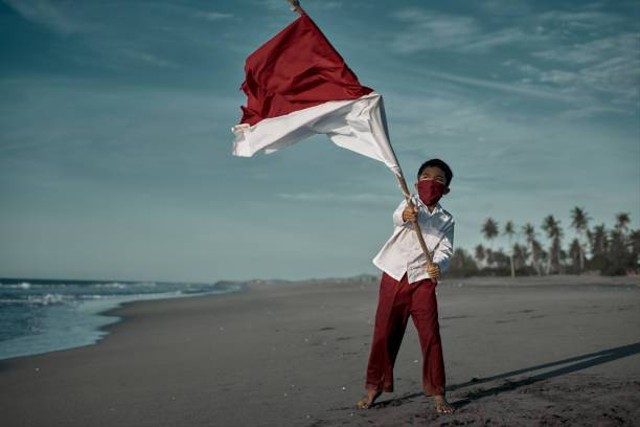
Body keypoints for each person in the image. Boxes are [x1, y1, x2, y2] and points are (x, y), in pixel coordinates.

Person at [357, 158, 455, 415]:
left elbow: (445, 250)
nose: (431, 182)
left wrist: (438, 265)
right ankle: (373, 387)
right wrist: (405, 215)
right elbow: (397, 217)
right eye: (426, 176)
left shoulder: (446, 219)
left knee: (431, 336)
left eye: (439, 180)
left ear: (446, 190)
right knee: (384, 333)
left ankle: (437, 392)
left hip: (422, 281)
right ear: (416, 183)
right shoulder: (409, 203)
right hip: (394, 276)